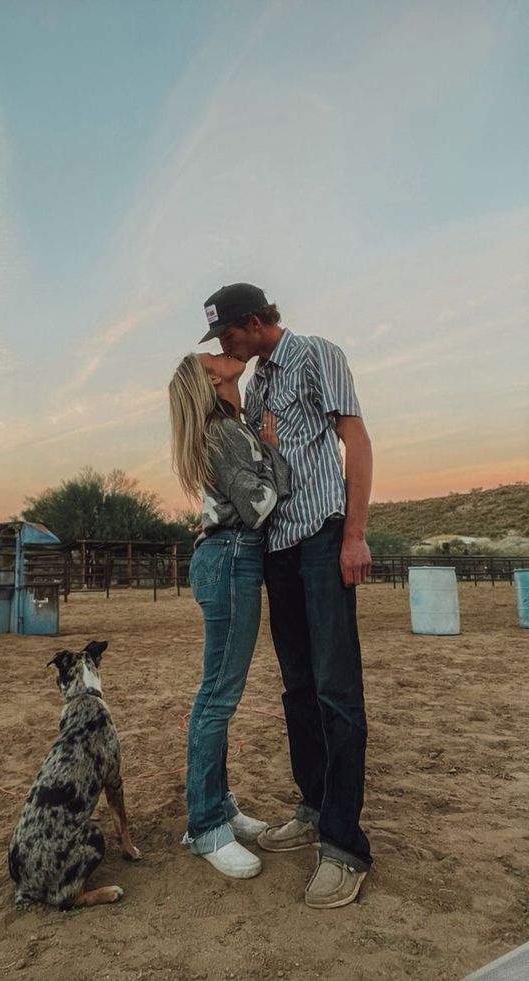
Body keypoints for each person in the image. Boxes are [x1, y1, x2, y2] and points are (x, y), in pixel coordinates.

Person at [199, 282, 373, 909]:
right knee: (297, 686)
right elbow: (262, 466)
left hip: (325, 537)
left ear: (251, 322)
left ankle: (345, 845)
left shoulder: (318, 354)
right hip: (278, 548)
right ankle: (314, 804)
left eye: (226, 335)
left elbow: (356, 439)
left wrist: (355, 534)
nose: (224, 346)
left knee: (336, 688)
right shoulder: (257, 385)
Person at [168, 351, 290, 879]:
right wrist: (275, 452)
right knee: (217, 697)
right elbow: (259, 506)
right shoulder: (224, 433)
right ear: (212, 378)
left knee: (218, 694)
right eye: (211, 355)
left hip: (231, 558)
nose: (222, 352)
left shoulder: (227, 429)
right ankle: (205, 827)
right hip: (233, 557)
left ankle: (220, 806)